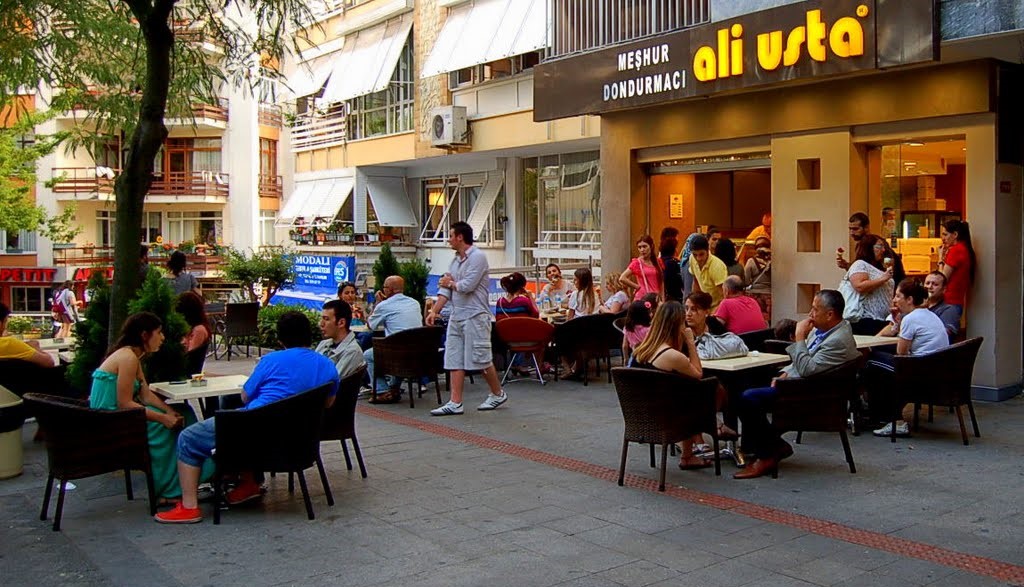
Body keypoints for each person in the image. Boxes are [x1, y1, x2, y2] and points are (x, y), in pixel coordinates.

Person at [156, 311, 340, 523]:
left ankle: (189, 506)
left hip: (254, 435)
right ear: (310, 335)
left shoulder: (271, 361)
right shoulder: (327, 365)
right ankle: (248, 483)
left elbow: (244, 397)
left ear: (280, 339)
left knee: (189, 437)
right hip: (298, 442)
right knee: (242, 418)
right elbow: (327, 403)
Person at [734, 290, 860, 479]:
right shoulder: (827, 330)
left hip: (810, 395)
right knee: (744, 380)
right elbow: (806, 362)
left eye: (815, 309)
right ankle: (766, 444)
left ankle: (768, 454)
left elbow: (808, 368)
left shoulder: (837, 340)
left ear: (830, 314)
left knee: (748, 398)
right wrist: (787, 373)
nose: (810, 314)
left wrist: (799, 337)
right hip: (802, 383)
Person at [90, 312, 202, 503]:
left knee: (185, 414)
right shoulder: (127, 358)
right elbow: (124, 403)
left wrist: (168, 411)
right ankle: (167, 490)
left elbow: (145, 393)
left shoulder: (133, 355)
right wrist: (163, 419)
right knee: (165, 429)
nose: (162, 337)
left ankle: (184, 482)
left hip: (120, 416)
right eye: (158, 332)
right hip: (112, 422)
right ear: (144, 335)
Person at [426, 222, 507, 416]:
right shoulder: (454, 261)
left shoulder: (478, 257)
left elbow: (467, 285)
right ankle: (455, 402)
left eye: (451, 235)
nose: (448, 240)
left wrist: (450, 282)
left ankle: (497, 393)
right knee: (454, 356)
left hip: (475, 315)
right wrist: (434, 311)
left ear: (460, 237)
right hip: (457, 315)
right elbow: (445, 289)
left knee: (480, 357)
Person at [629, 301, 708, 469]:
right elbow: (698, 373)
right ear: (677, 324)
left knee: (688, 393)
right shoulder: (671, 355)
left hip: (638, 417)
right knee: (701, 393)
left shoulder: (640, 350)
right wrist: (690, 341)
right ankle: (689, 454)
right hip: (666, 421)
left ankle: (691, 450)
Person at [867, 280, 950, 438]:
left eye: (898, 296)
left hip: (919, 372)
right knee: (879, 358)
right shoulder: (929, 315)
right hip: (936, 369)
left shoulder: (911, 319)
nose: (894, 300)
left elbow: (901, 353)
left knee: (872, 361)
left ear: (910, 299)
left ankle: (893, 419)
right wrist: (897, 324)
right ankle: (880, 414)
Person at [362, 277, 422, 403]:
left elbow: (370, 325)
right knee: (398, 347)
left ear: (389, 290)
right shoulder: (414, 303)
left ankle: (382, 390)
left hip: (397, 354)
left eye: (384, 287)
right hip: (417, 353)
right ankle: (394, 388)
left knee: (368, 355)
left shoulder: (384, 306)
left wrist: (378, 303)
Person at [838, 234, 895, 335]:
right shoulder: (860, 264)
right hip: (866, 319)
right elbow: (859, 285)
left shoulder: (879, 267)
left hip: (881, 319)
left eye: (884, 247)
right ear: (869, 248)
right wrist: (883, 278)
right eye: (879, 246)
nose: (883, 250)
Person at [837, 212, 905, 284]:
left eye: (855, 229)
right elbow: (862, 270)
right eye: (850, 229)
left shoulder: (877, 242)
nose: (851, 232)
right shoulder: (861, 245)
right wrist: (846, 265)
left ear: (866, 228)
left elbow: (888, 264)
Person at [685, 292, 748, 360]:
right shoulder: (682, 328)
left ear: (706, 312)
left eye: (694, 309)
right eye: (686, 309)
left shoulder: (712, 322)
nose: (688, 314)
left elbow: (729, 341)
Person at [315, 299, 366, 380]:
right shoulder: (324, 344)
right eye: (322, 319)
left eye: (326, 319)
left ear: (341, 323)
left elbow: (332, 381)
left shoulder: (352, 351)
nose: (321, 324)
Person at [938, 219, 975, 323]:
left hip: (948, 301)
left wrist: (940, 259)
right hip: (956, 301)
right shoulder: (964, 248)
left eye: (945, 234)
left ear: (955, 234)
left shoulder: (956, 250)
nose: (943, 238)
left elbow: (942, 278)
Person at [0, 302, 56, 367]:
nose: (6, 326)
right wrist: (36, 348)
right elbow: (49, 362)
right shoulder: (9, 343)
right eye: (6, 321)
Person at [688, 235, 728, 311]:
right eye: (695, 254)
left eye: (701, 254)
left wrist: (715, 313)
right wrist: (694, 303)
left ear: (708, 250)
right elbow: (695, 281)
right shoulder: (691, 259)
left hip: (717, 307)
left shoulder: (717, 266)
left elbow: (724, 296)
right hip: (703, 307)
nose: (698, 258)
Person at [619, 235, 663, 301]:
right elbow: (622, 278)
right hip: (642, 298)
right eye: (639, 247)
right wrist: (637, 287)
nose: (642, 250)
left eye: (644, 246)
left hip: (656, 298)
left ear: (651, 246)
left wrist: (663, 298)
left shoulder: (658, 262)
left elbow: (661, 282)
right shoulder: (637, 263)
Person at [744, 236, 772, 319]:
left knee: (756, 318)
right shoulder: (774, 261)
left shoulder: (751, 261)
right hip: (770, 295)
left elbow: (746, 281)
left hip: (755, 296)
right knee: (769, 319)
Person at [659, 237, 684, 301]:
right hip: (674, 297)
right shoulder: (673, 263)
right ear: (674, 249)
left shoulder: (658, 261)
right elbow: (679, 281)